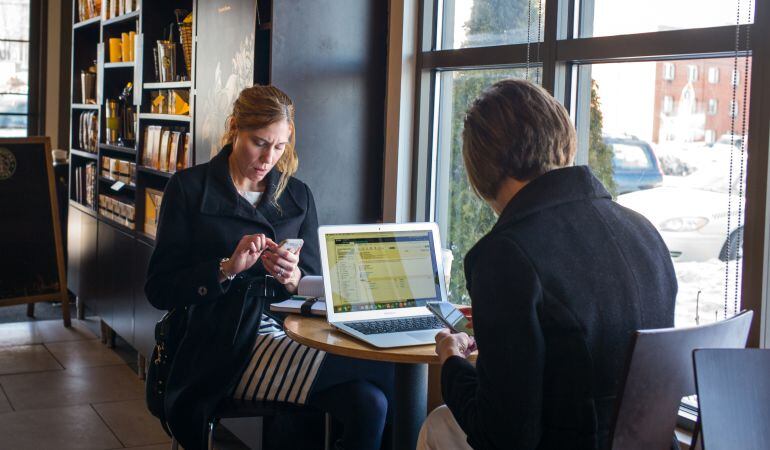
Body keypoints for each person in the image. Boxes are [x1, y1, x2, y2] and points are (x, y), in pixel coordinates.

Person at [417, 80, 677, 450]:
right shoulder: (644, 231)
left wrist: (452, 363)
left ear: (481, 164)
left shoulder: (505, 256)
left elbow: (503, 436)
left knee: (439, 424)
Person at [145, 85, 392, 450]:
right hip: (220, 344)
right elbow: (159, 289)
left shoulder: (298, 195)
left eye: (279, 146)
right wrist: (227, 268)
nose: (268, 157)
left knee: (371, 404)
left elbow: (310, 284)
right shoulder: (189, 188)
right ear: (234, 129)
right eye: (259, 142)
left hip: (289, 333)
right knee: (386, 370)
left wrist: (293, 278)